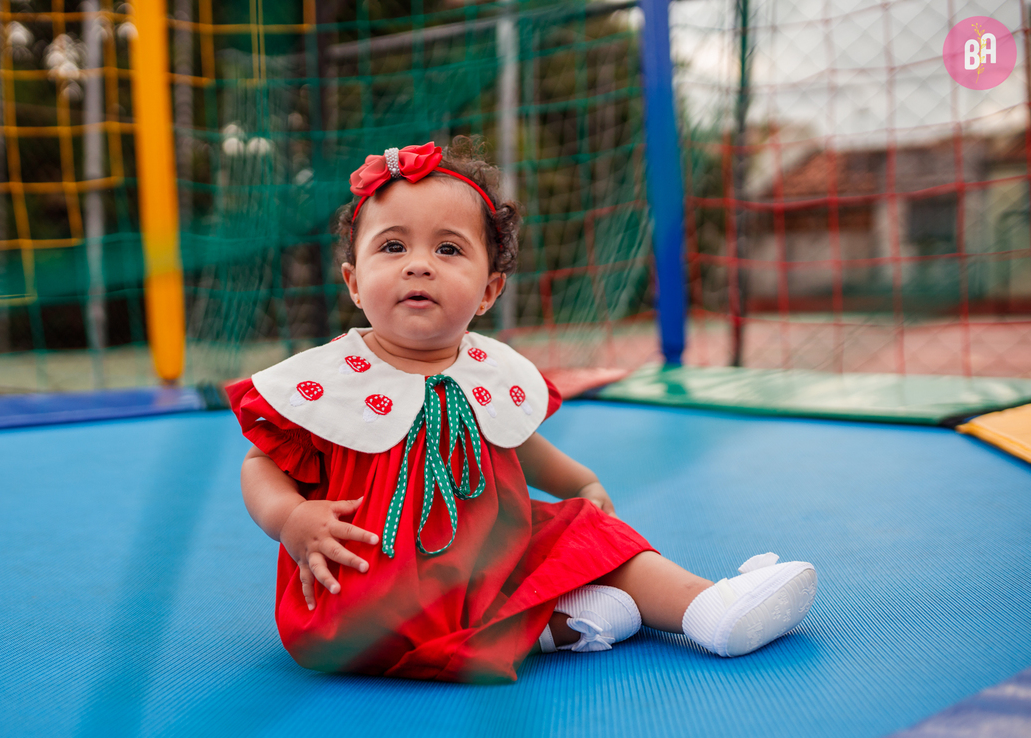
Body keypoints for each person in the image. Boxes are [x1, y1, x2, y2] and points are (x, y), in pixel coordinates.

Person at [229, 139, 817, 683]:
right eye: (392, 246)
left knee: (588, 532)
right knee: (558, 551)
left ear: (488, 291)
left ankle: (705, 608)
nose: (418, 264)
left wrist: (579, 481)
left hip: (488, 552)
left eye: (449, 248)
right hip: (370, 581)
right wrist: (289, 520)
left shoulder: (490, 367)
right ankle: (560, 625)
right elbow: (262, 464)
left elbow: (512, 438)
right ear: (354, 283)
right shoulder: (324, 378)